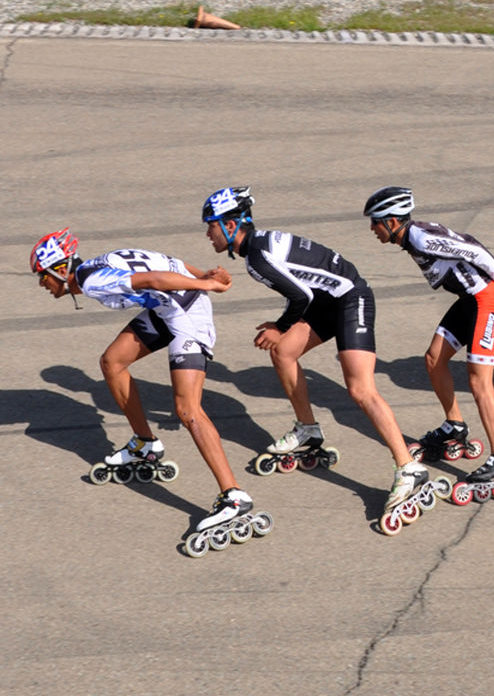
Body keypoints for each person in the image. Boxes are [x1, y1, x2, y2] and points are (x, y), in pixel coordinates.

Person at [200, 185, 428, 513]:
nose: (208, 234)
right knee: (283, 352)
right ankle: (307, 429)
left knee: (361, 389)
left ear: (231, 226)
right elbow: (306, 293)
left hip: (350, 299)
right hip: (327, 300)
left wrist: (280, 326)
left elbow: (300, 297)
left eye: (211, 225)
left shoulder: (257, 257)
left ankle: (408, 467)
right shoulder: (259, 244)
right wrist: (282, 330)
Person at [30, 227, 259, 538]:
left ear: (60, 269)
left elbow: (154, 279)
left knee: (187, 409)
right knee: (112, 362)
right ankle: (145, 444)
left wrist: (205, 283)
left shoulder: (91, 279)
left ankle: (233, 496)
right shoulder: (98, 264)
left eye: (42, 275)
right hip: (165, 306)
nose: (41, 283)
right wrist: (203, 273)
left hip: (187, 312)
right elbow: (168, 261)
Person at [364, 185, 494, 485]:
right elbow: (463, 242)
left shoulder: (419, 237)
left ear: (392, 222)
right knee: (434, 359)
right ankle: (455, 424)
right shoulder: (412, 236)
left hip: (487, 301)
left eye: (375, 222)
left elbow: (470, 248)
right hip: (469, 301)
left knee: (478, 380)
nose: (372, 229)